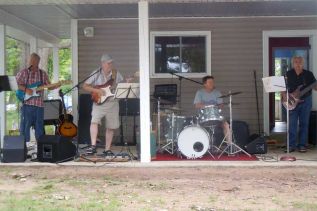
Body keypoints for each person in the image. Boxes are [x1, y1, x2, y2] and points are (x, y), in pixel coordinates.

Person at [83, 54, 124, 156]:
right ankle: (93, 146)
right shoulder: (96, 73)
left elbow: (121, 85)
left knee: (111, 126)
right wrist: (96, 90)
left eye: (111, 63)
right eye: (108, 63)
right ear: (103, 63)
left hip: (112, 102)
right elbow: (85, 86)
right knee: (94, 121)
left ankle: (107, 149)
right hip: (99, 102)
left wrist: (126, 82)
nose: (110, 65)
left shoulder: (116, 73)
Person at [16, 53, 60, 147]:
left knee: (39, 128)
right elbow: (15, 85)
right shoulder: (23, 72)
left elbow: (49, 87)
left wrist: (56, 85)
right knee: (25, 128)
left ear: (38, 62)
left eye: (34, 60)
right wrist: (26, 89)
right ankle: (23, 148)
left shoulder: (42, 73)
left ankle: (40, 148)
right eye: (31, 60)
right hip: (27, 104)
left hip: (39, 105)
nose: (32, 62)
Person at [282, 56, 317, 153]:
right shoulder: (288, 74)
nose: (298, 64)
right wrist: (285, 97)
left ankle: (302, 145)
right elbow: (282, 88)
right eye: (296, 62)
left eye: (300, 62)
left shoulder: (309, 74)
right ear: (293, 63)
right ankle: (291, 145)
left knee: (304, 124)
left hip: (306, 101)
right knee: (292, 124)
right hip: (292, 101)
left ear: (303, 63)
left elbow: (315, 88)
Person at [194, 75, 232, 145]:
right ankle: (201, 146)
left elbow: (221, 105)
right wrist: (208, 106)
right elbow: (197, 105)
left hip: (216, 117)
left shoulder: (217, 93)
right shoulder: (200, 92)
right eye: (210, 82)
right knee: (196, 127)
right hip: (203, 118)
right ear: (205, 84)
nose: (212, 84)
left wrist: (219, 106)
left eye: (212, 82)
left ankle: (229, 146)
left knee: (226, 125)